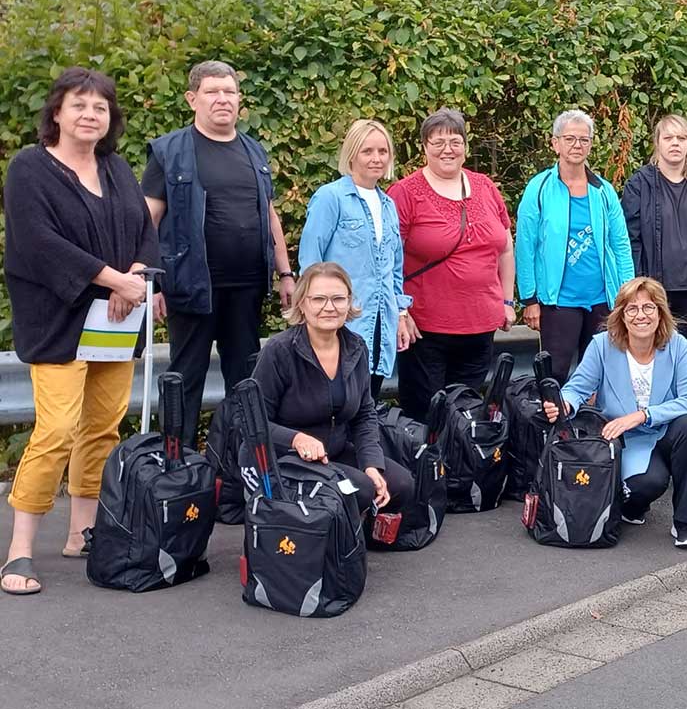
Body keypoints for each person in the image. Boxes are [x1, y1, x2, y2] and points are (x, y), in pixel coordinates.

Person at [3, 68, 160, 596]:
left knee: (102, 428)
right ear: (56, 112)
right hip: (60, 320)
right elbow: (39, 243)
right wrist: (112, 277)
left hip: (115, 321)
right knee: (55, 431)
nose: (90, 114)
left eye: (100, 107)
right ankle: (19, 549)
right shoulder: (29, 168)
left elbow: (143, 229)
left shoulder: (115, 168)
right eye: (79, 105)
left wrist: (134, 277)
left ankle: (82, 532)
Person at [143, 60, 296, 447]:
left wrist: (286, 274)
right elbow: (148, 220)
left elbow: (270, 216)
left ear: (239, 99)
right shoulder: (169, 152)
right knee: (186, 380)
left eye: (229, 92)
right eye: (212, 92)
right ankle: (178, 467)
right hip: (190, 289)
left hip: (246, 289)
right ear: (193, 99)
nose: (222, 99)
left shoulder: (254, 150)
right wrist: (150, 282)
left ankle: (236, 465)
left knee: (245, 383)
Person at [541, 277, 687, 549]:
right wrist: (565, 404)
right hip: (625, 440)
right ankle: (633, 507)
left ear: (660, 312)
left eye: (648, 308)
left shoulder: (678, 345)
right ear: (621, 314)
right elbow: (577, 388)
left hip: (666, 431)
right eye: (632, 309)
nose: (640, 315)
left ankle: (686, 523)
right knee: (647, 484)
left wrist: (643, 415)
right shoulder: (601, 345)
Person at [250, 263, 414, 517]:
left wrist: (371, 464)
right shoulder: (279, 351)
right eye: (319, 299)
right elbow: (251, 421)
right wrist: (296, 438)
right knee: (358, 490)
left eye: (338, 298)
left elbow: (364, 415)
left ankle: (349, 535)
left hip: (335, 453)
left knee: (401, 485)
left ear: (349, 303)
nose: (329, 307)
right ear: (302, 304)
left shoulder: (356, 347)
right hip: (286, 459)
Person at [387, 108, 516, 419]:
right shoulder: (405, 193)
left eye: (455, 141)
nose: (448, 149)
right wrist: (399, 309)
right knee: (426, 415)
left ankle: (462, 469)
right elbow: (388, 257)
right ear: (424, 147)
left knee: (468, 417)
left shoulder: (484, 186)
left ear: (465, 147)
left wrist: (507, 300)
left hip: (480, 325)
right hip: (426, 328)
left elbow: (505, 247)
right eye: (438, 142)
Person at [515, 109, 634, 384]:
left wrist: (626, 294)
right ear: (555, 143)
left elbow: (620, 244)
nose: (577, 145)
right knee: (554, 374)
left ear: (591, 145)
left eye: (584, 139)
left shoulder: (603, 190)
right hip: (558, 302)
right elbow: (525, 246)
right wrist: (530, 299)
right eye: (569, 138)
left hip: (602, 300)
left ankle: (594, 425)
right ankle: (556, 427)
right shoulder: (539, 188)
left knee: (602, 376)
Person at [298, 119, 414, 399]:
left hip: (379, 322)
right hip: (339, 319)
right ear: (351, 154)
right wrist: (314, 313)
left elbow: (394, 268)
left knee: (368, 400)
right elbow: (311, 261)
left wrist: (400, 314)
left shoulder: (388, 204)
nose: (376, 159)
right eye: (368, 151)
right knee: (336, 400)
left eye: (383, 151)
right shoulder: (331, 198)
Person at [621, 114, 687, 357]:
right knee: (651, 354)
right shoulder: (639, 184)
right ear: (657, 143)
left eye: (681, 138)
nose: (675, 143)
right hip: (653, 290)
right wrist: (636, 286)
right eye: (668, 138)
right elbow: (630, 239)